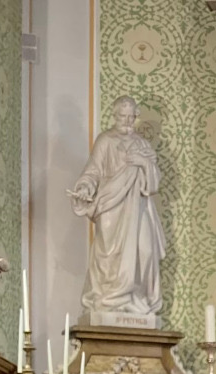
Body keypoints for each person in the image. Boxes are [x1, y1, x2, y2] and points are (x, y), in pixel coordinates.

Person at [69, 96, 166, 320]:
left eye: (131, 116)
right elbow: (93, 171)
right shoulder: (105, 140)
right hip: (111, 205)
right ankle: (108, 301)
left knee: (146, 252)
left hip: (139, 206)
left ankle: (137, 300)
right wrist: (84, 187)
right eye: (123, 116)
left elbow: (153, 183)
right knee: (109, 253)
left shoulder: (143, 144)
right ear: (115, 116)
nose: (127, 121)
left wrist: (142, 162)